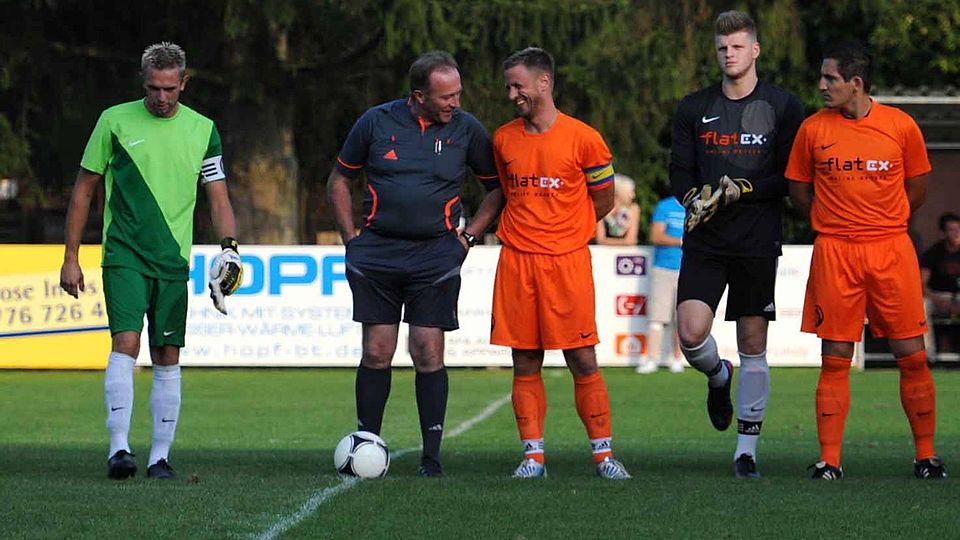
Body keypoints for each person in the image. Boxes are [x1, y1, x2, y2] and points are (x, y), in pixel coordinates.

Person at [59, 42, 242, 480]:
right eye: (153, 88)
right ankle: (119, 450)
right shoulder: (114, 120)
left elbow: (218, 196)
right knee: (126, 342)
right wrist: (71, 257)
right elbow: (84, 190)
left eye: (169, 89)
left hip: (173, 258)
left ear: (184, 82)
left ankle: (160, 457)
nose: (161, 97)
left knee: (168, 352)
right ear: (143, 82)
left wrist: (230, 246)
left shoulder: (204, 129)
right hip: (123, 252)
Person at [327, 50, 503, 477]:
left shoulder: (467, 129)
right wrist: (351, 239)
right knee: (377, 350)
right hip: (378, 256)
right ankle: (366, 443)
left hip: (436, 258)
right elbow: (339, 179)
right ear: (418, 95)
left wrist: (469, 236)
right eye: (446, 96)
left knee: (428, 351)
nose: (455, 103)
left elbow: (496, 190)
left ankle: (432, 457)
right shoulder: (375, 122)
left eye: (458, 94)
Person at [786, 40, 946, 480]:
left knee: (911, 355)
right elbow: (799, 190)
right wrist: (831, 219)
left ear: (855, 83)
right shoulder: (812, 129)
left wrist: (882, 221)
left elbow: (917, 188)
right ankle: (830, 461)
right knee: (835, 357)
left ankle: (926, 457)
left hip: (890, 250)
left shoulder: (901, 126)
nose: (821, 85)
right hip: (835, 251)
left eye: (830, 78)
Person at [669, 11, 804, 478]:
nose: (729, 54)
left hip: (756, 239)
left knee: (753, 341)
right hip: (705, 239)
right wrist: (695, 198)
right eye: (723, 48)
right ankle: (717, 375)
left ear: (755, 50)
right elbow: (679, 172)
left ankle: (746, 451)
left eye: (738, 46)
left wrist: (743, 189)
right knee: (688, 333)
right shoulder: (693, 107)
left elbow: (789, 177)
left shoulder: (784, 106)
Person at [491, 47, 630, 480]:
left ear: (544, 82)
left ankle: (603, 456)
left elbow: (604, 198)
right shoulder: (503, 139)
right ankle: (533, 458)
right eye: (509, 86)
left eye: (519, 85)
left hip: (566, 263)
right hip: (517, 262)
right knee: (525, 360)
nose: (512, 93)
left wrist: (570, 230)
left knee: (583, 359)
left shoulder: (584, 138)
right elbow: (503, 190)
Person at [636, 192, 685, 374]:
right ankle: (652, 359)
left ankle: (677, 359)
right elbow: (656, 236)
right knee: (657, 317)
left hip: (689, 269)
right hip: (663, 268)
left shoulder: (699, 207)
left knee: (680, 318)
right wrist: (682, 241)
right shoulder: (665, 206)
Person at [921, 212, 960, 353]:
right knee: (922, 306)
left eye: (959, 229)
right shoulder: (933, 252)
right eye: (951, 230)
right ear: (943, 233)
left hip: (958, 297)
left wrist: (955, 301)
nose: (956, 234)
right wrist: (936, 299)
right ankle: (927, 355)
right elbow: (922, 284)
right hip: (936, 296)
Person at [595, 174, 640, 246]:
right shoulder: (601, 208)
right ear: (619, 192)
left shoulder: (633, 209)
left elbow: (631, 240)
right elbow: (600, 240)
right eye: (630, 192)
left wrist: (607, 241)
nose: (633, 195)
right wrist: (625, 242)